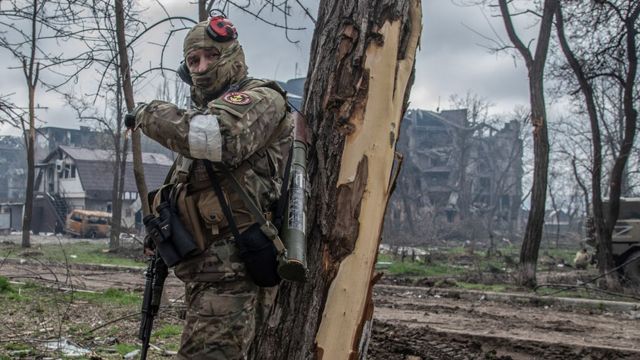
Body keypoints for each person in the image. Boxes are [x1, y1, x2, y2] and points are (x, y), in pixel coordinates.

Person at [125, 15, 292, 359]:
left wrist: (147, 113)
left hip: (235, 272)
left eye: (211, 56)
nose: (201, 67)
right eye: (193, 60)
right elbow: (185, 186)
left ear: (232, 53)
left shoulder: (261, 99)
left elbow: (217, 137)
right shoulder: (202, 113)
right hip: (207, 270)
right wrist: (161, 230)